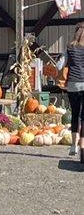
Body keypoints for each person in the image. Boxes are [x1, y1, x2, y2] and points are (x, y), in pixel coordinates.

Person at [57, 22, 84, 162]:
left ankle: (74, 145)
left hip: (73, 85)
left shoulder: (69, 47)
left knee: (75, 114)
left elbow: (59, 65)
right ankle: (83, 144)